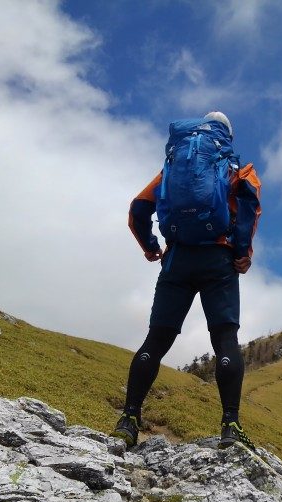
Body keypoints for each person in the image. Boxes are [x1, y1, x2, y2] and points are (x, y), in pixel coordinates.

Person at [112, 111, 261, 451]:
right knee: (225, 338)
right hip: (218, 260)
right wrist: (242, 252)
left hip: (177, 259)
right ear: (228, 136)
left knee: (156, 340)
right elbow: (251, 206)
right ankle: (230, 425)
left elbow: (138, 209)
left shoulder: (171, 168)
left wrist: (152, 248)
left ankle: (129, 420)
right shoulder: (237, 168)